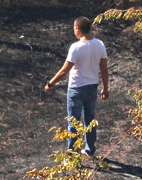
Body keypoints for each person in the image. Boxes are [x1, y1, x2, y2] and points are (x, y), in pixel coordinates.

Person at [44, 16, 109, 157]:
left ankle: (72, 153)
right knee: (90, 120)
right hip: (92, 87)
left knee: (73, 122)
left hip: (76, 89)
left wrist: (50, 83)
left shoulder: (76, 47)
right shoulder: (100, 45)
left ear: (78, 29)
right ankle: (90, 149)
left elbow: (64, 71)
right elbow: (104, 69)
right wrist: (105, 88)